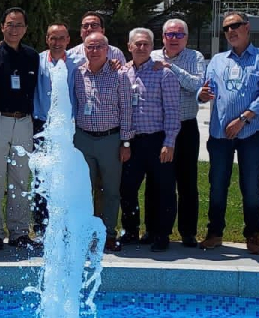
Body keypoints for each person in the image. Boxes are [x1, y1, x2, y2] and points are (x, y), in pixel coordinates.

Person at [198, 11, 259, 255]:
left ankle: (253, 234)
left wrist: (242, 120)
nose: (231, 31)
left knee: (250, 185)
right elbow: (204, 90)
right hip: (221, 134)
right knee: (217, 184)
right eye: (226, 28)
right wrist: (201, 95)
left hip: (251, 132)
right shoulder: (218, 60)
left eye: (236, 25)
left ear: (247, 27)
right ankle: (215, 233)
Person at [0, 7, 40, 252]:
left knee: (21, 180)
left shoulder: (32, 56)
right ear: (2, 27)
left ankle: (19, 231)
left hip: (24, 123)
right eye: (10, 24)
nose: (14, 29)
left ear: (25, 29)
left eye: (19, 25)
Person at [119, 28, 181, 252]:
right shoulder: (122, 74)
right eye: (138, 44)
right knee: (127, 188)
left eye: (146, 44)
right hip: (132, 143)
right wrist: (124, 143)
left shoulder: (164, 74)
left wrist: (169, 142)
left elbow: (173, 111)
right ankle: (131, 231)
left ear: (151, 46)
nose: (142, 47)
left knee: (162, 189)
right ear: (129, 46)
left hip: (158, 141)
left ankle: (160, 233)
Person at [71, 32, 133, 252]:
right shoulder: (77, 74)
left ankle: (108, 234)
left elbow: (127, 110)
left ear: (107, 50)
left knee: (110, 190)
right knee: (83, 191)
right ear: (84, 49)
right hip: (83, 140)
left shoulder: (120, 75)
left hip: (111, 140)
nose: (94, 51)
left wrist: (125, 142)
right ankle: (85, 235)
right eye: (90, 47)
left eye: (99, 47)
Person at [151, 17, 206, 247]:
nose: (174, 39)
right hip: (159, 129)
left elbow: (198, 85)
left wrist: (171, 68)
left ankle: (188, 232)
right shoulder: (152, 56)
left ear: (186, 38)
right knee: (160, 182)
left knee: (187, 182)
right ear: (163, 37)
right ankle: (157, 231)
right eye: (170, 34)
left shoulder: (195, 57)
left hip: (186, 127)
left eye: (179, 35)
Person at [33, 22, 77, 235]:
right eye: (53, 37)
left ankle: (64, 225)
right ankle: (41, 225)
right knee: (41, 177)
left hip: (67, 129)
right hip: (41, 126)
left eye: (61, 38)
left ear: (68, 40)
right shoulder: (38, 61)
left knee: (65, 177)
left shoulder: (77, 64)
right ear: (47, 39)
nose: (57, 42)